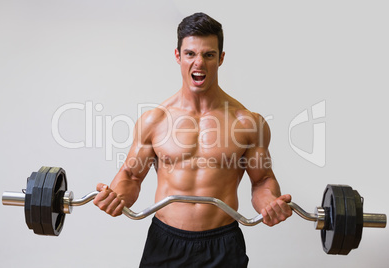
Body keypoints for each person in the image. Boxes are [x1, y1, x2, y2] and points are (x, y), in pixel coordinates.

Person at [93, 12, 292, 267]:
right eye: (190, 54)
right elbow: (131, 177)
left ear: (220, 58)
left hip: (223, 243)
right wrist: (117, 197)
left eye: (208, 55)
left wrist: (269, 204)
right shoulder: (155, 121)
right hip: (165, 241)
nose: (199, 63)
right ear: (178, 56)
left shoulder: (248, 123)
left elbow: (262, 181)